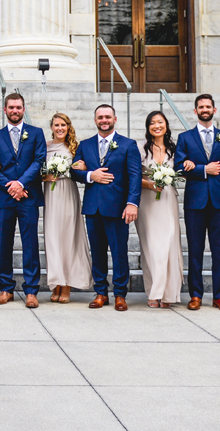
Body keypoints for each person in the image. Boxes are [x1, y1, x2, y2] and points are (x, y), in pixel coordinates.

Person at [71, 104, 142, 311]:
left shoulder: (128, 145)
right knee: (98, 252)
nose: (104, 120)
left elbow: (135, 176)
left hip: (118, 207)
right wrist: (90, 175)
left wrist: (132, 203)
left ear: (115, 119)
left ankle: (120, 294)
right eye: (100, 117)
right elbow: (74, 170)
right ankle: (101, 292)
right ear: (95, 120)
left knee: (119, 252)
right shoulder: (85, 145)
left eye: (107, 117)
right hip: (93, 207)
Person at [173, 93, 220, 311]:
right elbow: (178, 168)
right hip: (195, 202)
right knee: (195, 250)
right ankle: (196, 295)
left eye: (208, 106)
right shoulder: (185, 137)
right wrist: (203, 170)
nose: (204, 109)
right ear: (195, 111)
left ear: (214, 109)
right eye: (200, 106)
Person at [0, 92, 46, 308]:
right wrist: (10, 186)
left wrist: (20, 184)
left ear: (23, 109)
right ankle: (6, 288)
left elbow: (39, 161)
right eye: (11, 107)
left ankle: (31, 291)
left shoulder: (36, 133)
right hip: (5, 199)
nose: (15, 111)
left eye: (18, 107)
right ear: (5, 110)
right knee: (5, 245)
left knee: (30, 244)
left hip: (28, 196)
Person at [42, 112, 92, 303]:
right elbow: (38, 171)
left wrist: (82, 167)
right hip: (51, 196)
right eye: (56, 125)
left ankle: (67, 286)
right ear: (51, 127)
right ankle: (56, 283)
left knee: (68, 239)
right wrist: (46, 176)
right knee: (53, 239)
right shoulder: (45, 147)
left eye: (63, 125)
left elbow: (84, 169)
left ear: (68, 126)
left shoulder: (74, 148)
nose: (60, 128)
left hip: (68, 194)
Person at [136, 110, 183, 308]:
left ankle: (168, 293)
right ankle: (154, 292)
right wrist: (150, 184)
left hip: (167, 199)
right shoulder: (140, 148)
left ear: (166, 125)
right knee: (152, 247)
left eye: (160, 122)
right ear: (148, 127)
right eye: (152, 123)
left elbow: (183, 169)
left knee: (169, 245)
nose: (157, 125)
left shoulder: (176, 149)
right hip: (147, 202)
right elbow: (132, 176)